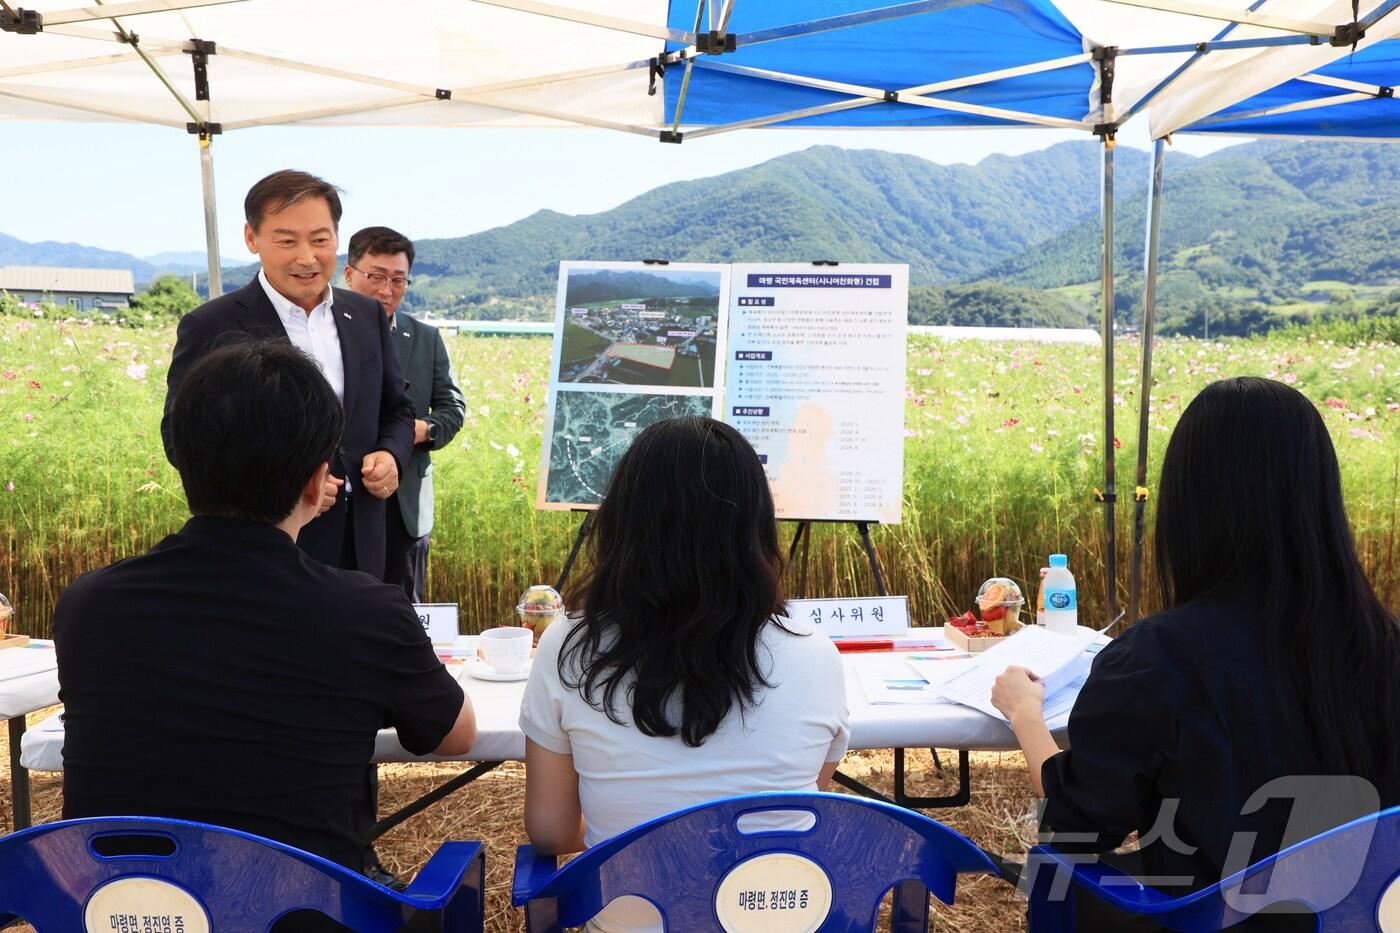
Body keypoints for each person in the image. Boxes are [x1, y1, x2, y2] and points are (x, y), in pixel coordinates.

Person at [992, 376, 1400, 930]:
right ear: (1321, 496)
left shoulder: (1161, 658)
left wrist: (1025, 714)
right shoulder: (1384, 646)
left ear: (1189, 506)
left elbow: (1075, 822)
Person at [57, 340, 476, 873]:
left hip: (119, 907)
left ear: (182, 459)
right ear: (313, 481)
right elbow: (456, 734)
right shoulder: (363, 613)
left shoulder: (89, 604)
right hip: (301, 911)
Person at [520, 416, 850, 933]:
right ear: (757, 527)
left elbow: (550, 831)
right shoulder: (816, 655)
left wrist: (629, 825)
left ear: (623, 523)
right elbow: (797, 808)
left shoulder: (569, 645)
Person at [161, 170, 415, 581]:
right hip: (266, 547)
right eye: (286, 241)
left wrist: (392, 455)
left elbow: (398, 411)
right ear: (251, 238)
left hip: (364, 541)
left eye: (319, 239)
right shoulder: (213, 326)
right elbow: (181, 440)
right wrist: (286, 486)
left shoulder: (365, 315)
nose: (306, 257)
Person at [343, 226, 465, 602]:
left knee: (402, 610)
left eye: (398, 280)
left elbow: (452, 408)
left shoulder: (425, 338)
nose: (386, 290)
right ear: (348, 274)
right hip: (337, 498)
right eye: (375, 277)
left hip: (404, 502)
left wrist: (418, 430)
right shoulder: (324, 332)